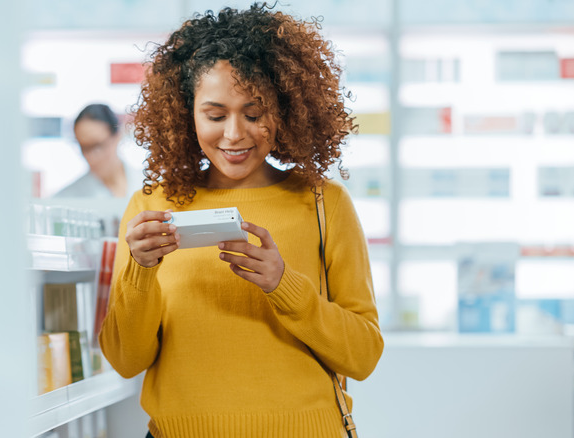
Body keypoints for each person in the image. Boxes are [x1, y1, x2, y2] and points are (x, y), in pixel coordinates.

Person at [100, 4, 383, 438]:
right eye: (215, 116)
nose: (234, 134)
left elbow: (363, 356)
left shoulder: (324, 203)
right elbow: (125, 359)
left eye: (254, 114)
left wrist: (282, 283)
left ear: (285, 110)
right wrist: (141, 271)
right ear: (185, 113)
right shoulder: (152, 206)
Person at [54, 103, 143, 198]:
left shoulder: (151, 185)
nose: (91, 157)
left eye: (97, 146)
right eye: (84, 148)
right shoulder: (66, 198)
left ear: (116, 137)